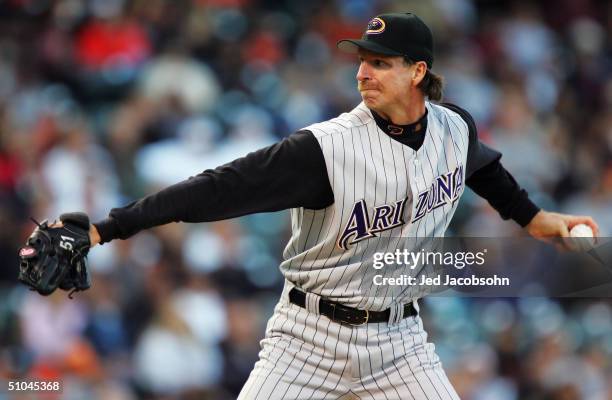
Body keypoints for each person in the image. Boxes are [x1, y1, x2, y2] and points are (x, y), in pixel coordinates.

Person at [71, 12, 597, 399]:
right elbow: (215, 189)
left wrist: (530, 217)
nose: (363, 73)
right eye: (362, 61)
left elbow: (482, 167)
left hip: (401, 340)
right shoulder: (326, 147)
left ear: (417, 72)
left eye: (380, 63)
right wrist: (105, 229)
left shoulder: (453, 126)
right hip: (307, 339)